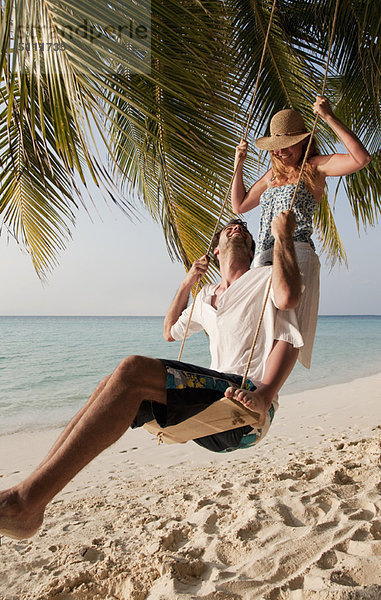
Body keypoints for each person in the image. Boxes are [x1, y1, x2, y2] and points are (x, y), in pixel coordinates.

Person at [0, 211, 302, 541]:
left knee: (132, 370)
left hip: (247, 409)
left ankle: (24, 503)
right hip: (213, 412)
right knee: (111, 385)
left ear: (250, 247)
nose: (238, 228)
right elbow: (169, 331)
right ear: (215, 249)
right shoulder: (205, 297)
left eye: (243, 230)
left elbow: (288, 311)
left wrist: (283, 236)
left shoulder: (265, 277)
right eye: (230, 228)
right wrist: (187, 283)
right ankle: (31, 499)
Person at [232, 95, 371, 369]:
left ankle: (267, 391)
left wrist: (329, 116)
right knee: (256, 325)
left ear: (303, 141)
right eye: (276, 147)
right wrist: (239, 162)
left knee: (287, 324)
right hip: (264, 256)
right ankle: (246, 381)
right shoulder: (270, 176)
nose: (281, 152)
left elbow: (361, 158)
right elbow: (239, 204)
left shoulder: (314, 167)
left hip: (297, 251)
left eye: (286, 146)